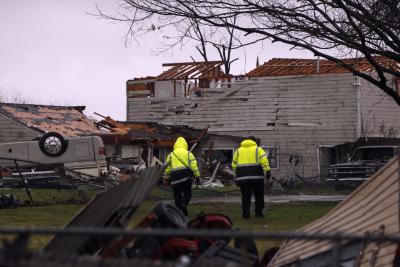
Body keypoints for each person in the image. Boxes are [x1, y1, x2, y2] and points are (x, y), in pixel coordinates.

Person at [232, 136, 271, 219]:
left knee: (246, 196)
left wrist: (236, 175)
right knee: (259, 195)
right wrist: (268, 171)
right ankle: (258, 213)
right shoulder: (258, 149)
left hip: (243, 178)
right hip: (257, 177)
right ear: (254, 141)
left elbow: (234, 164)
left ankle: (245, 214)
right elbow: (264, 161)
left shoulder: (238, 150)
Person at [164, 136, 200, 216]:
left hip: (175, 178)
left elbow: (167, 168)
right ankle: (184, 204)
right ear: (185, 144)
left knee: (177, 195)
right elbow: (194, 166)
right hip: (186, 177)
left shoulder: (171, 155)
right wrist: (197, 177)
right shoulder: (189, 154)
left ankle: (178, 211)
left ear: (175, 145)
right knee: (188, 193)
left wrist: (166, 178)